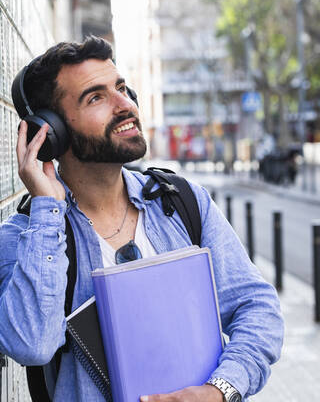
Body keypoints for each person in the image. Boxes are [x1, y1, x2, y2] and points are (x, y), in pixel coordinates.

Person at [0, 36, 283, 402]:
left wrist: (219, 390)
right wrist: (47, 210)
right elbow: (30, 344)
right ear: (50, 131)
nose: (125, 105)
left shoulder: (183, 201)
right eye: (96, 97)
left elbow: (257, 308)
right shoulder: (26, 236)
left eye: (121, 88)